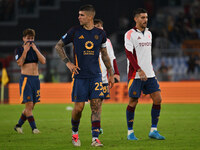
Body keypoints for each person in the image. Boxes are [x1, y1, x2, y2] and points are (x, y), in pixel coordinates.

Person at [55, 5, 114, 147]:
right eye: (79, 14)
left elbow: (105, 55)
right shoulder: (74, 31)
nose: (79, 17)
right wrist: (68, 63)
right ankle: (75, 133)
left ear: (90, 17)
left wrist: (111, 73)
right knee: (79, 108)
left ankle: (95, 138)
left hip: (95, 76)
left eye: (81, 15)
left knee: (96, 106)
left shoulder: (101, 34)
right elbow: (58, 46)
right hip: (80, 77)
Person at [124, 8, 165, 140]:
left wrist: (148, 69)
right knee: (133, 101)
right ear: (135, 19)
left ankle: (153, 130)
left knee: (158, 99)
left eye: (146, 17)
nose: (145, 20)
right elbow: (129, 55)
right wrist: (139, 70)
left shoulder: (149, 33)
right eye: (142, 17)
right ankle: (130, 132)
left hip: (150, 74)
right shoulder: (129, 34)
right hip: (135, 75)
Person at [14, 28, 46, 134]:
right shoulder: (19, 49)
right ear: (24, 39)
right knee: (29, 106)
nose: (30, 40)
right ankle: (34, 128)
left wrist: (36, 49)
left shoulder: (36, 49)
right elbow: (19, 63)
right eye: (28, 38)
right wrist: (25, 51)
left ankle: (18, 125)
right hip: (26, 79)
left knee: (31, 107)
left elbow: (43, 61)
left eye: (32, 38)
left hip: (36, 80)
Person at [94, 18, 120, 100]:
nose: (100, 28)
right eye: (97, 26)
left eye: (101, 26)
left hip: (104, 78)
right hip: (91, 77)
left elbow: (112, 58)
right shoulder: (87, 41)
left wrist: (116, 73)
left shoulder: (107, 41)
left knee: (100, 102)